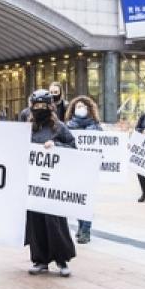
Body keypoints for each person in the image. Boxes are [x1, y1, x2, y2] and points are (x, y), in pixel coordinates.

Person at [26, 90, 77, 276]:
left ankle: (62, 260)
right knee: (35, 222)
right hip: (34, 185)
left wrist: (57, 147)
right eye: (36, 106)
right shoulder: (28, 128)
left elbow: (73, 147)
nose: (40, 110)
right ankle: (40, 260)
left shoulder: (59, 128)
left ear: (50, 107)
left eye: (43, 106)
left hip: (53, 184)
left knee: (55, 222)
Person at [64, 95, 102, 244]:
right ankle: (81, 227)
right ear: (73, 110)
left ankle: (86, 230)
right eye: (78, 107)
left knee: (88, 200)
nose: (81, 109)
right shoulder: (67, 127)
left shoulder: (96, 127)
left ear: (89, 109)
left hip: (90, 169)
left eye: (83, 107)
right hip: (74, 168)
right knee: (78, 200)